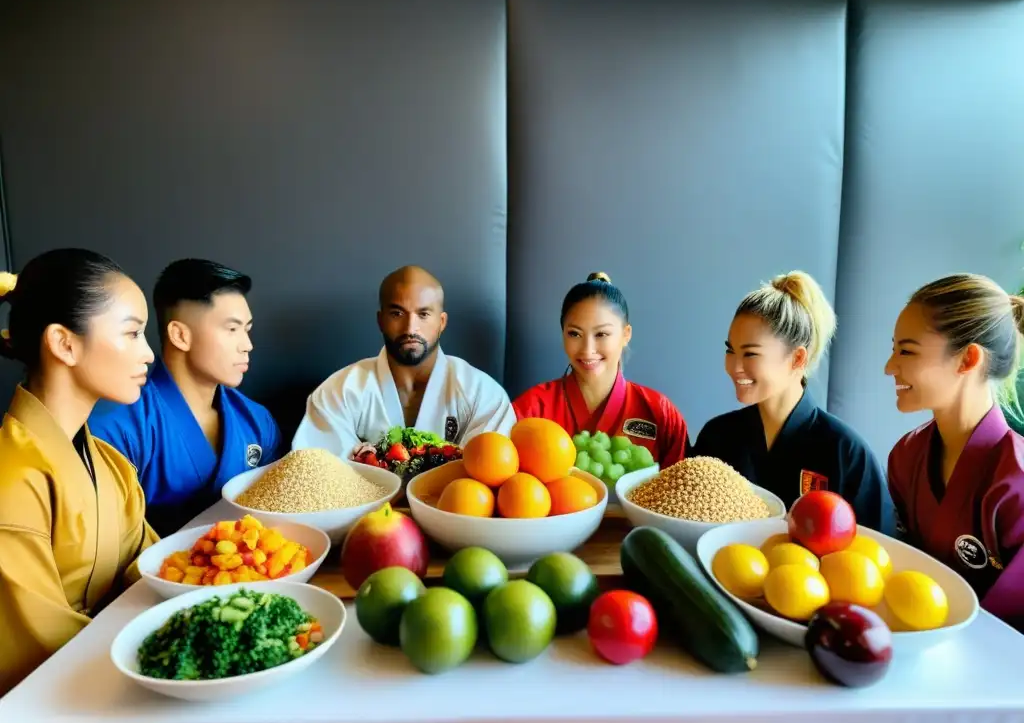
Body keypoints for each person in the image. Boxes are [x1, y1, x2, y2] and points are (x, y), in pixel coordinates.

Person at [0, 248, 159, 696]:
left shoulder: (109, 463)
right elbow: (33, 643)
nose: (148, 353)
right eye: (132, 334)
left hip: (106, 669)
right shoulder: (11, 479)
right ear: (64, 343)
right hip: (49, 702)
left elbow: (152, 571)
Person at [89, 259, 282, 537]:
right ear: (180, 335)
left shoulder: (256, 420)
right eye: (232, 329)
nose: (247, 345)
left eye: (247, 329)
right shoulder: (119, 427)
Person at [692, 271, 893, 533]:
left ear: (798, 358)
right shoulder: (716, 437)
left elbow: (879, 551)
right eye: (730, 350)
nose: (735, 366)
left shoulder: (846, 452)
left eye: (750, 353)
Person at [886, 273, 1024, 631]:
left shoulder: (1017, 483)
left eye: (906, 350)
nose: (889, 367)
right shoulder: (906, 455)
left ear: (967, 359)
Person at [293, 265, 516, 456]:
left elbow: (490, 471)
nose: (411, 328)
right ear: (381, 320)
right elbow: (317, 471)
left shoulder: (481, 393)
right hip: (366, 507)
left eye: (423, 314)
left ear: (442, 322)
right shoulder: (340, 391)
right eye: (397, 313)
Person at [512, 272, 689, 466]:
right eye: (575, 334)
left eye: (601, 334)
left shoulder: (660, 413)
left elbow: (681, 490)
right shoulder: (532, 409)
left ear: (625, 334)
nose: (588, 350)